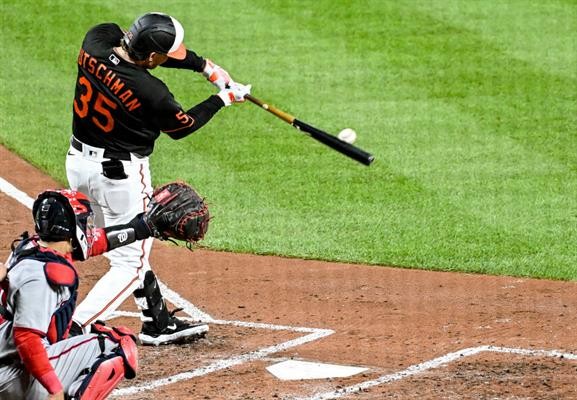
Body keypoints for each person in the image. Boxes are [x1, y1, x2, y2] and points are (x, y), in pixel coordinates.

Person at [65, 12, 251, 345]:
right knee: (129, 264)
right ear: (152, 58)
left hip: (78, 164)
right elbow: (183, 127)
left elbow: (137, 51)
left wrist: (205, 67)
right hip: (119, 178)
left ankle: (156, 320)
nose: (167, 59)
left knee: (115, 244)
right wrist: (224, 98)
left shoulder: (96, 39)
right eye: (164, 55)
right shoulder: (152, 92)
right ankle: (73, 330)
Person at [0, 189, 154, 399]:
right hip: (11, 375)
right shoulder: (44, 275)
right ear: (70, 227)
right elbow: (26, 338)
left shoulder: (31, 247)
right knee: (115, 344)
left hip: (6, 358)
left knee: (81, 332)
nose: (88, 228)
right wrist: (53, 388)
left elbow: (93, 242)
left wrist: (139, 229)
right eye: (83, 221)